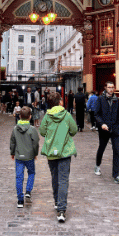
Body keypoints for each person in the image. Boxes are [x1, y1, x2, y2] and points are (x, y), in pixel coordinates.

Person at [39, 91, 76, 222]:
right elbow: (74, 130)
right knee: (63, 180)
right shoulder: (66, 115)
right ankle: (61, 209)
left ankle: (57, 202)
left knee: (55, 178)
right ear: (60, 101)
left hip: (51, 152)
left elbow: (42, 132)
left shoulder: (47, 117)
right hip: (65, 151)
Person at [93, 81, 119, 185]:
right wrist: (102, 124)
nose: (111, 89)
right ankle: (97, 165)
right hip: (104, 129)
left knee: (116, 151)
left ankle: (116, 175)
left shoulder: (116, 100)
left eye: (112, 87)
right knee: (102, 148)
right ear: (105, 88)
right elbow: (96, 114)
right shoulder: (100, 99)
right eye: (109, 87)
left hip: (115, 129)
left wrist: (118, 126)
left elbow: (118, 115)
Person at [10, 106, 40, 208]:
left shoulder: (15, 129)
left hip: (19, 156)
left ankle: (20, 200)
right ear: (30, 117)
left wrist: (12, 153)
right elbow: (35, 143)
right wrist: (35, 153)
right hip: (29, 156)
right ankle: (28, 190)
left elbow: (12, 142)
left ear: (19, 116)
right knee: (31, 173)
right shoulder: (32, 129)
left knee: (19, 177)